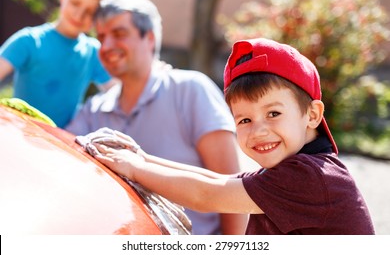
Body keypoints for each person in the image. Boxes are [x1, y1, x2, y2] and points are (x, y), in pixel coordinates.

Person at [88, 37, 375, 235]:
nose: (259, 130)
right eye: (245, 119)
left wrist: (135, 169)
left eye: (273, 114)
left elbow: (206, 194)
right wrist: (144, 158)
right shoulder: (299, 167)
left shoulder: (310, 178)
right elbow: (219, 180)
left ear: (312, 115)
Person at [65, 0, 247, 235]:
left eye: (118, 34)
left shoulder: (190, 91)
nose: (106, 46)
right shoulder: (94, 110)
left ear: (149, 37)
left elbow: (232, 189)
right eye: (101, 37)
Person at [0, 0, 122, 128]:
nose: (79, 15)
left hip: (61, 143)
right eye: (75, 3)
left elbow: (120, 97)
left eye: (91, 12)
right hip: (20, 134)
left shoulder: (93, 53)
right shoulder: (29, 41)